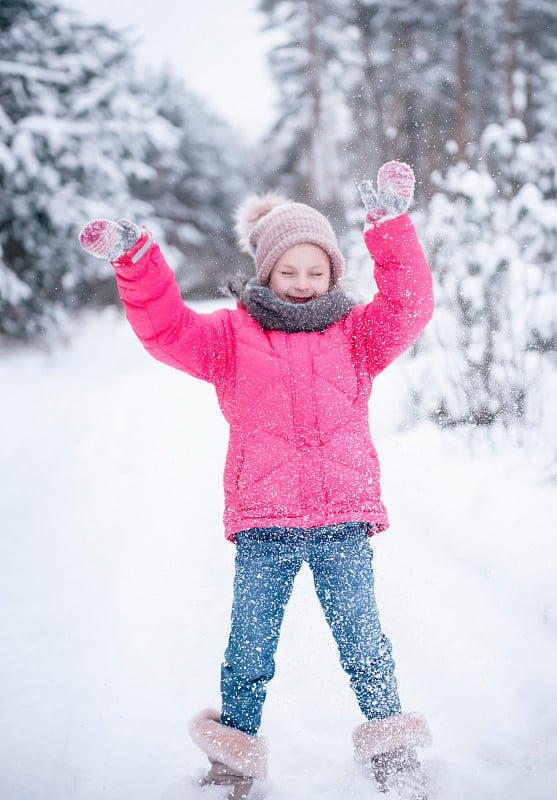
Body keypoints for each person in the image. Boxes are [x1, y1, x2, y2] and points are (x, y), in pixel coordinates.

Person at [79, 161, 435, 800]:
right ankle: (232, 764)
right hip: (265, 523)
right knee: (248, 652)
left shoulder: (356, 336)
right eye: (288, 271)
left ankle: (390, 745)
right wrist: (136, 260)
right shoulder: (230, 339)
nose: (303, 284)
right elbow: (166, 331)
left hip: (341, 522)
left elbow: (409, 305)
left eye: (316, 271)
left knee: (364, 641)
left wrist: (390, 225)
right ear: (265, 272)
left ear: (333, 273)